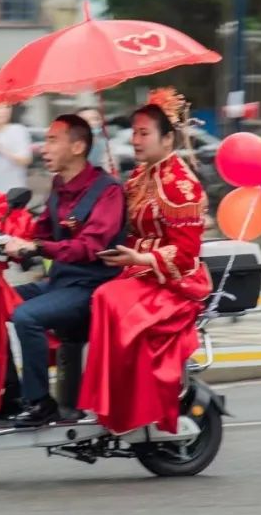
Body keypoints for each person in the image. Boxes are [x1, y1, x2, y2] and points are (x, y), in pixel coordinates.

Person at [0, 114, 126, 427]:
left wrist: (37, 248)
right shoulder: (59, 186)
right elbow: (40, 233)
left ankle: (41, 403)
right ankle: (10, 397)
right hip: (59, 284)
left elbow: (90, 247)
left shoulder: (108, 192)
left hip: (89, 289)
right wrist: (0, 236)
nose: (44, 148)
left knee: (28, 316)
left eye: (53, 140)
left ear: (78, 146)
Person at [78, 88, 213, 435]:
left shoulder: (181, 186)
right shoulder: (139, 177)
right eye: (134, 133)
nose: (135, 140)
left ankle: (124, 406)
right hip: (137, 271)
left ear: (168, 139)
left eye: (144, 133)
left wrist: (140, 257)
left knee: (108, 299)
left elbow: (185, 255)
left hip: (175, 283)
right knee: (89, 291)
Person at [78, 106, 111, 173]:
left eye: (95, 119)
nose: (91, 123)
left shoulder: (108, 146)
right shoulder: (68, 147)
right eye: (84, 120)